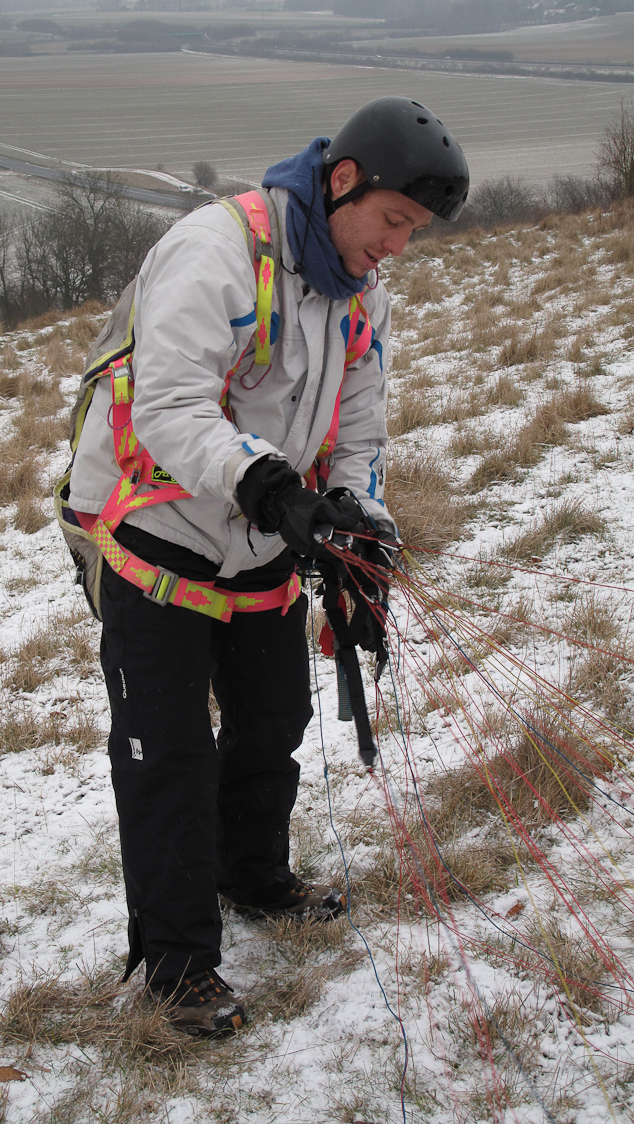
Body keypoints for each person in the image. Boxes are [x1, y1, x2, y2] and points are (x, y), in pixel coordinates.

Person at [57, 96, 469, 1037]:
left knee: (273, 718)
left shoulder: (363, 288)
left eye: (416, 231)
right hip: (152, 535)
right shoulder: (218, 249)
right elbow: (166, 405)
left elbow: (359, 426)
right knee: (166, 753)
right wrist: (268, 483)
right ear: (342, 185)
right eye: (394, 221)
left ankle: (250, 876)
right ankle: (176, 965)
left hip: (261, 538)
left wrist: (356, 522)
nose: (400, 246)